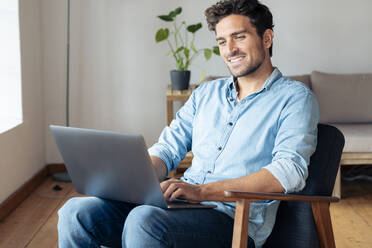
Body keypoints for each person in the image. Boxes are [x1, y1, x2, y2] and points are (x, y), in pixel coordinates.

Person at [57, 0, 319, 247]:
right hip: (179, 205)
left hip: (234, 220)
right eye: (222, 41)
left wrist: (202, 191)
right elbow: (168, 150)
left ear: (267, 37)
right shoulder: (206, 94)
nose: (230, 50)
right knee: (75, 213)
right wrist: (133, 179)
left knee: (144, 221)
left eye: (239, 37)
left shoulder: (295, 98)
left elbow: (289, 172)